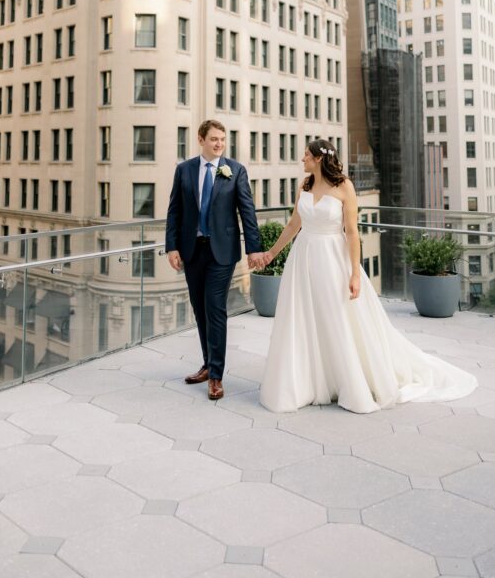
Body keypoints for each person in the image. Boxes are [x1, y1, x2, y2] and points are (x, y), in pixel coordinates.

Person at [258, 139, 478, 414]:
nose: (302, 160)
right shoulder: (304, 186)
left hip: (332, 258)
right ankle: (309, 380)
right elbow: (293, 225)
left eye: (306, 156)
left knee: (335, 316)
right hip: (302, 258)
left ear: (318, 159)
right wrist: (271, 253)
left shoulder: (344, 187)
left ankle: (348, 378)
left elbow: (352, 232)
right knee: (304, 316)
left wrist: (354, 274)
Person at [165, 119, 265, 401]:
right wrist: (171, 246)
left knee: (215, 308)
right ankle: (208, 364)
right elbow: (175, 211)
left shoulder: (235, 170)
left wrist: (253, 248)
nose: (219, 143)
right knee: (199, 308)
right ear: (201, 139)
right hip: (191, 250)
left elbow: (248, 211)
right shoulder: (184, 170)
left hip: (222, 251)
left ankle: (217, 376)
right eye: (214, 139)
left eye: (222, 139)